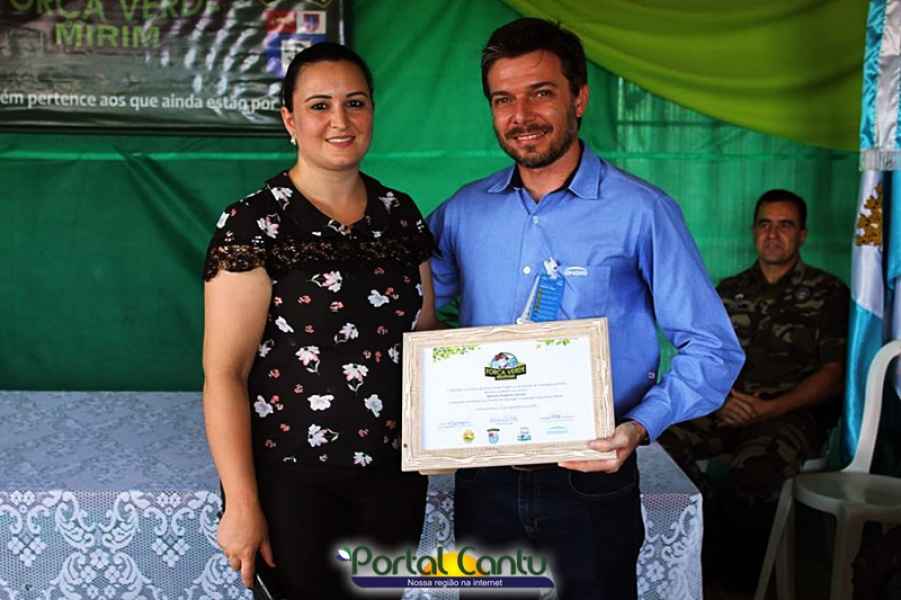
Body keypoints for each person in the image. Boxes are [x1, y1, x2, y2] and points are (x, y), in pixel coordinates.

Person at [426, 18, 744, 600]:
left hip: (592, 480)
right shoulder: (462, 213)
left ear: (579, 98)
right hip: (483, 481)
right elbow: (404, 315)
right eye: (503, 99)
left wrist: (639, 425)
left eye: (541, 93)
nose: (521, 115)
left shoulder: (642, 211)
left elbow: (713, 346)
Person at [201, 42, 439, 598]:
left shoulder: (400, 214)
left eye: (355, 103)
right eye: (319, 105)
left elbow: (425, 336)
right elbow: (225, 374)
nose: (340, 120)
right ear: (290, 120)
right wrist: (241, 503)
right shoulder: (253, 223)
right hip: (290, 484)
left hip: (392, 480)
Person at [659, 189, 850, 591]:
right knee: (660, 448)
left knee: (753, 475)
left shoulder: (828, 292)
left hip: (789, 416)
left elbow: (833, 375)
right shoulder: (729, 290)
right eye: (765, 224)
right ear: (753, 231)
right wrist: (722, 401)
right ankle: (692, 565)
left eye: (785, 225)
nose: (773, 234)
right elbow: (703, 357)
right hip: (724, 407)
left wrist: (769, 409)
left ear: (802, 235)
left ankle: (736, 585)